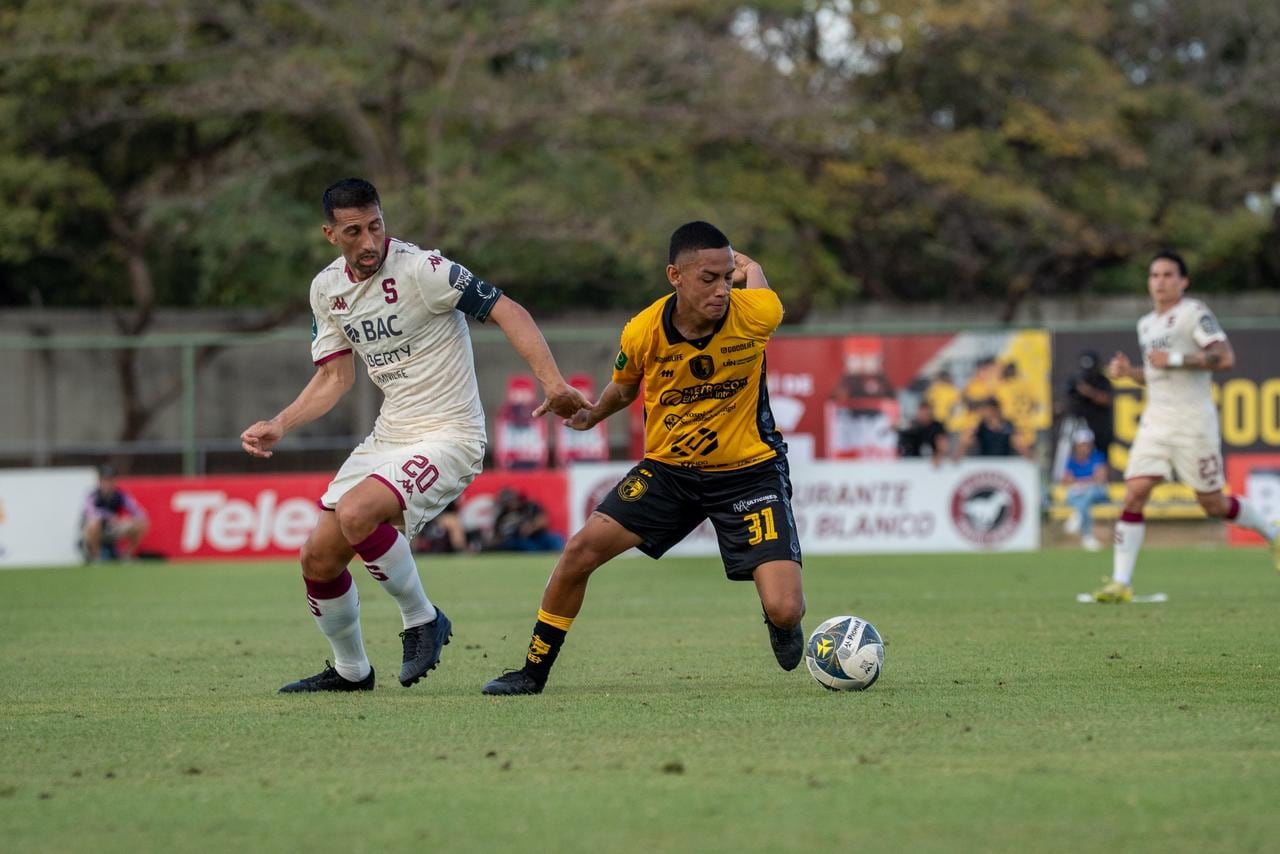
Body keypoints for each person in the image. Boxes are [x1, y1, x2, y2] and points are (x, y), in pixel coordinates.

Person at [240, 178, 589, 692]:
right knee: (317, 557)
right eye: (354, 231)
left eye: (376, 225)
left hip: (451, 434)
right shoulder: (327, 290)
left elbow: (508, 310)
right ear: (330, 234)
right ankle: (351, 671)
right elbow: (336, 378)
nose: (369, 241)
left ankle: (423, 619)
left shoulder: (425, 270)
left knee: (359, 513)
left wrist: (553, 383)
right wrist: (280, 423)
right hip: (390, 436)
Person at [482, 221, 807, 695]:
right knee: (578, 552)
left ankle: (780, 622)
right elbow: (623, 387)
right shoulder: (643, 331)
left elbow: (761, 297)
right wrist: (593, 416)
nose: (721, 291)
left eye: (726, 277)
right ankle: (532, 672)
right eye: (708, 279)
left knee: (785, 608)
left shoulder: (757, 313)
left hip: (750, 473)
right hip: (670, 473)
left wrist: (753, 271)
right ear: (674, 275)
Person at [1094, 251, 1279, 602]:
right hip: (1155, 422)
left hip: (1193, 422)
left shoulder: (1193, 313)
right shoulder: (1146, 324)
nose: (1160, 282)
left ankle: (1272, 533)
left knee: (1212, 504)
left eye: (1167, 275)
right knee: (1135, 491)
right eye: (1154, 275)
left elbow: (1224, 357)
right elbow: (1156, 375)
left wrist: (1176, 358)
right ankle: (1121, 582)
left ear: (1183, 281)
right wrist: (1128, 373)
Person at [81, 465, 148, 562]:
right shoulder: (92, 495)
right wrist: (108, 516)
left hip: (112, 529)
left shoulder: (120, 495)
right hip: (95, 530)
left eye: (110, 480)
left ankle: (126, 556)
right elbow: (90, 513)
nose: (108, 483)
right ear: (100, 481)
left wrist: (126, 520)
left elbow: (139, 512)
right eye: (105, 480)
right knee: (94, 524)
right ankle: (96, 557)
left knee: (141, 524)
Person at [1060, 429, 1109, 551]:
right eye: (1082, 444)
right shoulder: (1071, 460)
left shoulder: (1097, 457)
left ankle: (1078, 517)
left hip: (1097, 492)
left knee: (1088, 494)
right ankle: (1087, 537)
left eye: (1087, 444)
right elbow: (1066, 480)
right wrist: (1086, 482)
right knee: (1077, 498)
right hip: (1078, 493)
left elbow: (1100, 479)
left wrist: (1080, 483)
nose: (1084, 447)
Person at [1063, 350, 1114, 459]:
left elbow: (1106, 399)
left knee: (1100, 458)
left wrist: (1088, 391)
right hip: (1079, 424)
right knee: (1075, 455)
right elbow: (1069, 398)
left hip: (1099, 427)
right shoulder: (1077, 380)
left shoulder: (1103, 381)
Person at [487, 488, 565, 552]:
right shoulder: (502, 515)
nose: (511, 504)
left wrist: (531, 527)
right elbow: (498, 535)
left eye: (511, 501)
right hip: (519, 540)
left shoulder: (529, 506)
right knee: (519, 545)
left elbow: (543, 520)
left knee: (555, 539)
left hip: (538, 536)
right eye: (507, 503)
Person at [952, 398, 1030, 460]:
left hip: (1005, 463)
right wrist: (958, 454)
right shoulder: (981, 426)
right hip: (986, 463)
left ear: (994, 410)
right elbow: (967, 441)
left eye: (986, 410)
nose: (983, 413)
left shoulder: (1007, 426)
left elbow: (1019, 443)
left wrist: (1029, 458)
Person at [897, 400, 949, 466]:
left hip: (931, 461)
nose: (923, 415)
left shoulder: (937, 426)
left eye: (926, 413)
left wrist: (938, 457)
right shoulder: (911, 426)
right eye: (921, 412)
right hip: (912, 463)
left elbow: (943, 444)